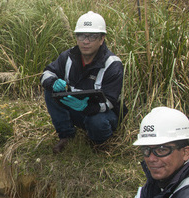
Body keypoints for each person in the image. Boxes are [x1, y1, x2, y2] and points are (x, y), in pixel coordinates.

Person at [40, 11, 126, 153]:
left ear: (102, 39)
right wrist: (52, 82)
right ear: (76, 37)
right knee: (50, 91)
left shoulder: (112, 64)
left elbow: (110, 101)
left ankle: (99, 144)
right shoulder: (68, 57)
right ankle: (66, 136)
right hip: (77, 108)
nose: (86, 41)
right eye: (81, 35)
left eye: (92, 36)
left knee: (97, 123)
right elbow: (46, 73)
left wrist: (87, 108)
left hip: (102, 113)